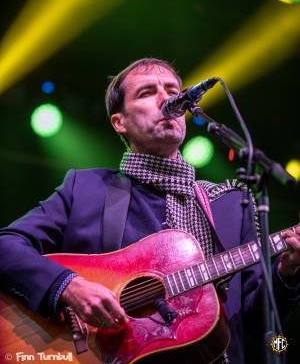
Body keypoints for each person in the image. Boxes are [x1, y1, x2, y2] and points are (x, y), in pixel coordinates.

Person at [0, 57, 299, 364]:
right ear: (120, 122)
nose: (167, 98)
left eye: (172, 90)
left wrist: (287, 273)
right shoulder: (86, 189)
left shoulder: (233, 204)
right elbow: (5, 246)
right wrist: (67, 286)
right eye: (146, 92)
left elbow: (259, 322)